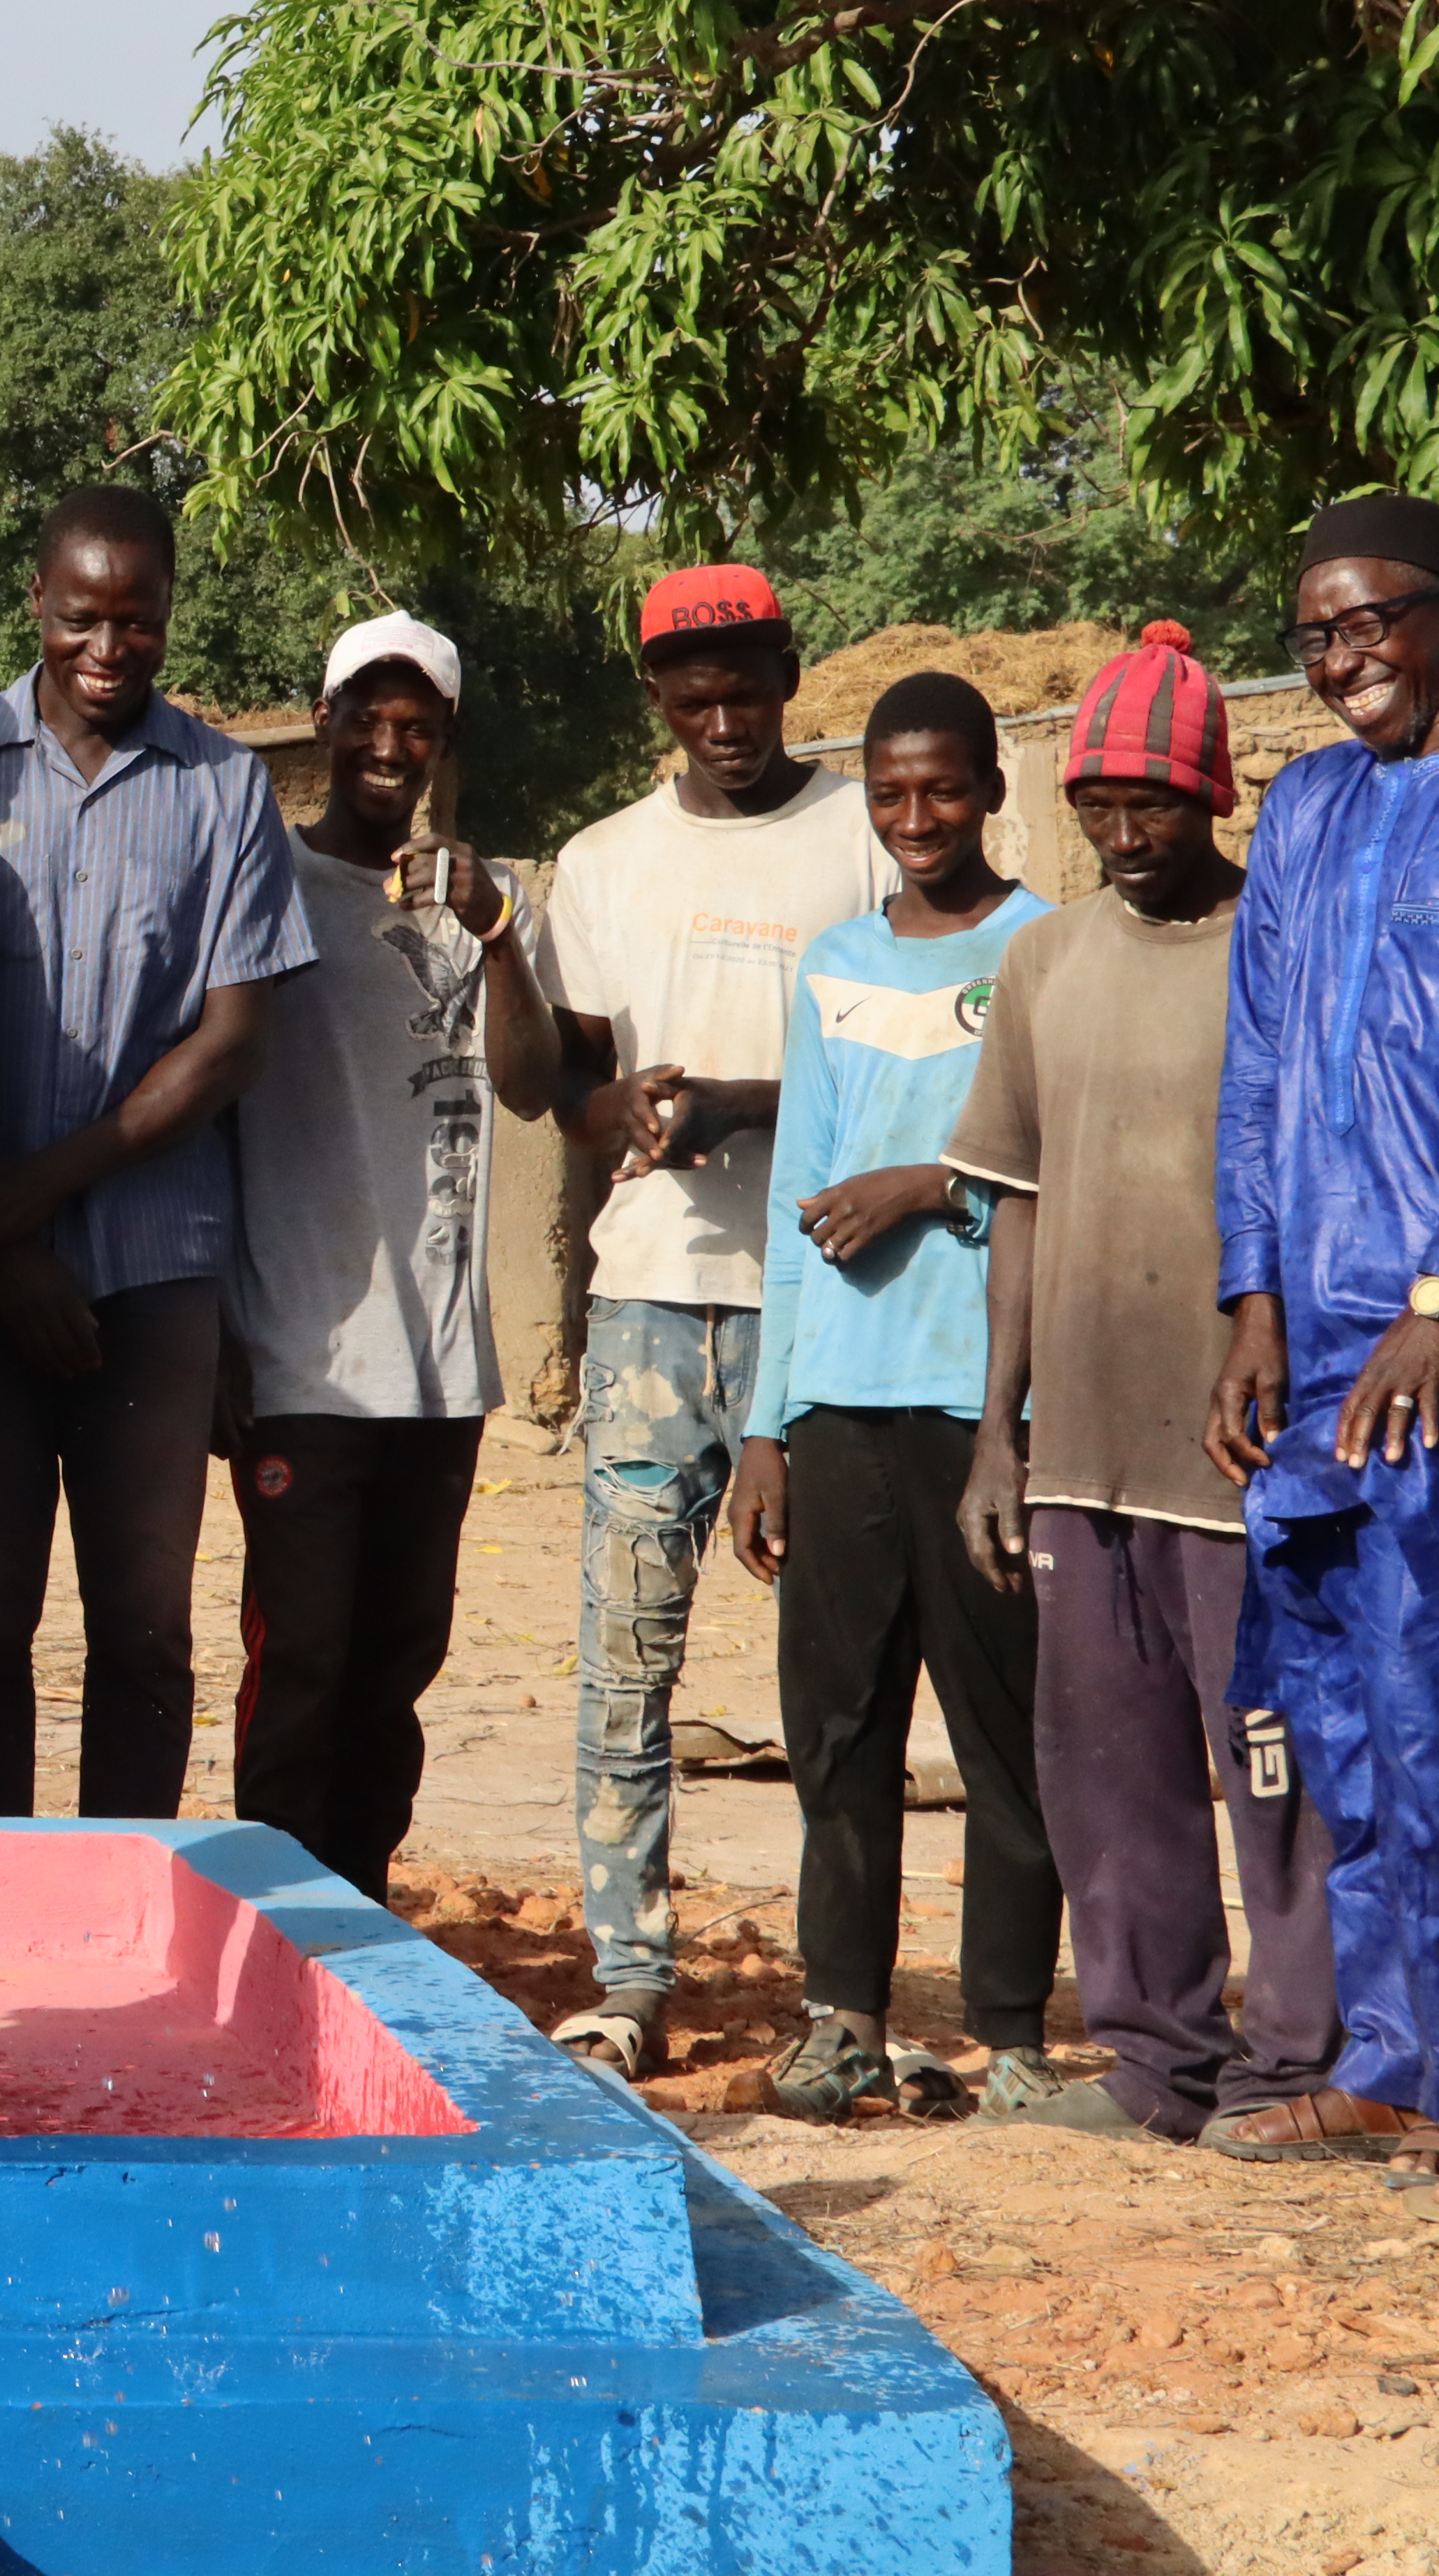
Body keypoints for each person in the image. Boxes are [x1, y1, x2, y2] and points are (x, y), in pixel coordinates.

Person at [948, 625, 1343, 2148]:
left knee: (1274, 1765)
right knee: (1108, 1772)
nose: (1125, 835)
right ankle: (1151, 2057)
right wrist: (1000, 1429)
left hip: (1237, 1445)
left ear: (1214, 797)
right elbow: (1017, 1199)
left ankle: (1297, 2056)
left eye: (1155, 806)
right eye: (1101, 804)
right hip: (1082, 1444)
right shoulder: (1044, 954)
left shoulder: (1278, 947)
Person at [0, 485, 312, 1819]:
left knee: (142, 1633)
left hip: (153, 1272)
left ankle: (132, 1912)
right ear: (38, 606)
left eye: (138, 621)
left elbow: (232, 1040)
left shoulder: (226, 788)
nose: (108, 649)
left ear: (170, 613)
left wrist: (42, 1193)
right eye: (82, 619)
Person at [525, 562, 894, 2079]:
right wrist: (613, 1104)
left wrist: (743, 1104)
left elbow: (912, 1071)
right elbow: (563, 1070)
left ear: (793, 670)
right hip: (654, 1302)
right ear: (656, 700)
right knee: (629, 1658)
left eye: (750, 687)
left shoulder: (876, 831)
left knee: (841, 1665)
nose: (727, 718)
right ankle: (627, 1976)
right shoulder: (602, 862)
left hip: (838, 1298)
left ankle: (842, 1991)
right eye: (695, 696)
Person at [1211, 492, 1439, 2186]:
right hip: (1309, 1342)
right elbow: (1257, 1071)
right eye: (1317, 634)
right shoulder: (1311, 810)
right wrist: (1251, 1302)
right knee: (1340, 1711)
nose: (1342, 663)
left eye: (1372, 624)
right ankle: (1393, 2060)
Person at [720, 676, 1054, 2118]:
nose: (919, 819)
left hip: (987, 1402)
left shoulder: (1045, 949)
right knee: (840, 1727)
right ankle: (842, 2013)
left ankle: (1011, 2031)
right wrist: (764, 1425)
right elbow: (802, 1197)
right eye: (891, 795)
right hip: (845, 1402)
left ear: (992, 788)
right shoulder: (837, 961)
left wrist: (932, 1187)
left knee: (1004, 1729)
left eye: (944, 790)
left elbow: (1065, 1169)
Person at [223, 613, 559, 1905]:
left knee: (400, 1659)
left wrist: (500, 932)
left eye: (415, 724)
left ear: (442, 742)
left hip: (442, 1366)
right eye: (366, 714)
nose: (388, 742)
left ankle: (362, 1912)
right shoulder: (268, 890)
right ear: (323, 722)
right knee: (300, 1660)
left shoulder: (474, 904)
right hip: (304, 1352)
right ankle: (279, 1919)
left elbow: (533, 1088)